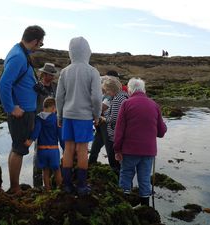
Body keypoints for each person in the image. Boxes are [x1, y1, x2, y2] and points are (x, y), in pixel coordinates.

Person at [0, 25, 45, 194]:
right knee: (18, 149)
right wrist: (11, 108)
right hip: (21, 113)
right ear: (34, 41)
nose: (39, 47)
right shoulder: (18, 56)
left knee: (17, 147)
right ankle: (15, 188)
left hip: (26, 111)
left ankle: (14, 186)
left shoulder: (21, 53)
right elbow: (3, 83)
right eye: (40, 44)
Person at [56, 36, 102, 195]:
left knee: (68, 149)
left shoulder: (65, 71)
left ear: (71, 52)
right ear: (87, 52)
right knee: (82, 150)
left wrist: (59, 116)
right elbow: (96, 97)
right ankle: (82, 186)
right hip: (84, 117)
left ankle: (67, 185)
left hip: (68, 115)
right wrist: (96, 115)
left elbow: (59, 97)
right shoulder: (92, 71)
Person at [114, 78, 167, 206]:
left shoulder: (126, 104)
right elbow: (161, 132)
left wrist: (117, 149)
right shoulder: (154, 105)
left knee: (126, 175)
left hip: (129, 150)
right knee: (144, 179)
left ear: (130, 90)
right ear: (144, 90)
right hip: (148, 151)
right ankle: (146, 208)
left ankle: (124, 207)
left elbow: (119, 130)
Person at [25, 97, 63, 191]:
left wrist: (30, 141)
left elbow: (36, 131)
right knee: (57, 171)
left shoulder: (39, 118)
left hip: (41, 150)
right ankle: (59, 191)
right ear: (54, 108)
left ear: (44, 107)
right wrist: (65, 148)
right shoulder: (56, 118)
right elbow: (60, 135)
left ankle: (47, 191)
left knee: (45, 172)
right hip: (53, 150)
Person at [33, 62, 58, 188]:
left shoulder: (55, 86)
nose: (52, 76)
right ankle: (37, 183)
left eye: (53, 74)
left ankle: (51, 181)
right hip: (41, 119)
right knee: (39, 148)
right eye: (50, 74)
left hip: (53, 121)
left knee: (53, 147)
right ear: (44, 74)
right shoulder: (37, 86)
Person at [100, 78, 129, 174]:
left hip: (115, 134)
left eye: (107, 90)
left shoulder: (117, 99)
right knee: (121, 161)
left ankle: (119, 181)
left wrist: (104, 118)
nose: (106, 93)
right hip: (122, 133)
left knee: (115, 162)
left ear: (111, 89)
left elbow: (114, 119)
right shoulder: (125, 96)